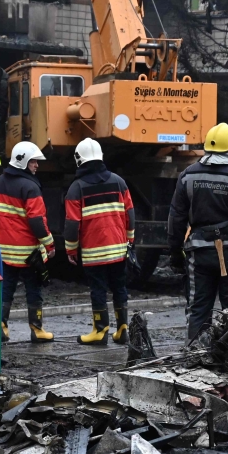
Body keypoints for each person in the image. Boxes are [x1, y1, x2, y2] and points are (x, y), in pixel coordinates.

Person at [168, 123, 228, 342]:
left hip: (198, 254)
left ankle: (195, 356)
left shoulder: (187, 176)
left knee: (197, 309)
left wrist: (175, 253)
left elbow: (176, 218)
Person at [64, 138, 135, 345]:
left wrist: (70, 250)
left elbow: (71, 224)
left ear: (79, 160)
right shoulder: (119, 182)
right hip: (118, 249)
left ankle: (100, 330)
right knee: (119, 287)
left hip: (94, 252)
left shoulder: (76, 188)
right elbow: (129, 213)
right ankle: (123, 329)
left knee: (98, 290)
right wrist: (130, 239)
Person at [0, 141, 55, 343]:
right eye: (33, 161)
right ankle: (37, 330)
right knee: (34, 290)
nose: (37, 165)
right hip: (29, 252)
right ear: (23, 162)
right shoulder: (30, 187)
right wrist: (50, 244)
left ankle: (0, 326)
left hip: (6, 250)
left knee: (6, 288)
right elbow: (37, 220)